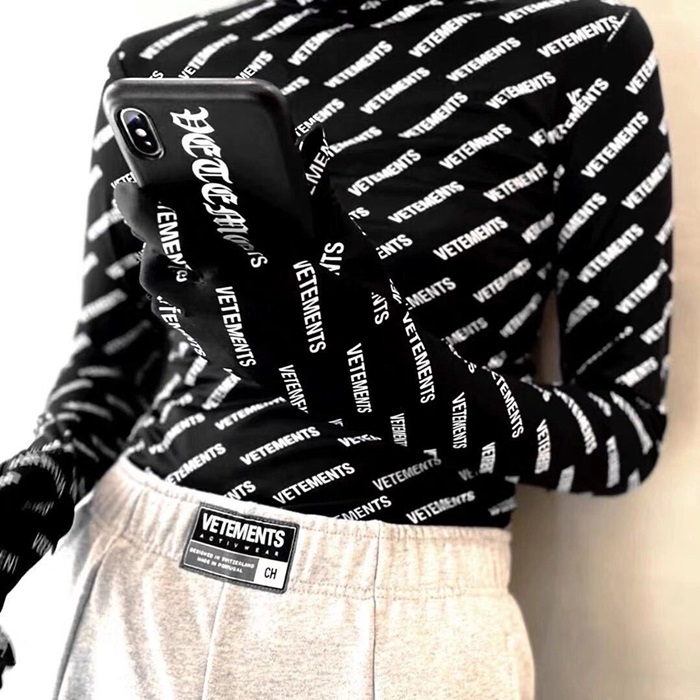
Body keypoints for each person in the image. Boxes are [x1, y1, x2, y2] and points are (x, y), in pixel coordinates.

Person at [0, 0, 674, 697]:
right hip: (138, 581)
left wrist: (380, 376)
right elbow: (111, 366)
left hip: (405, 627)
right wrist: (29, 500)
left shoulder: (581, 51)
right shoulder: (160, 63)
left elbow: (622, 435)